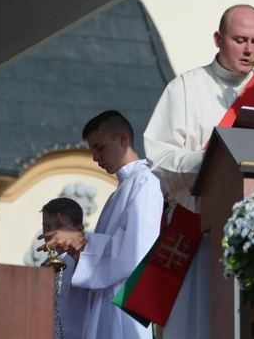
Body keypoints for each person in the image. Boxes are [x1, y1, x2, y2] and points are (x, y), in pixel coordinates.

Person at [143, 4, 254, 338]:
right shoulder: (186, 87)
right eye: (240, 39)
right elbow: (159, 156)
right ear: (218, 38)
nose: (249, 50)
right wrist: (213, 161)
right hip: (200, 230)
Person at [39, 110, 164, 339]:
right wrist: (76, 249)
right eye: (92, 150)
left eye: (100, 147)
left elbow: (136, 250)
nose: (95, 157)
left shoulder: (146, 182)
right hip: (106, 299)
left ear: (122, 139)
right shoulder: (119, 192)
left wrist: (81, 242)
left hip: (125, 302)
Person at [40, 197, 88, 339]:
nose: (52, 233)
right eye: (46, 226)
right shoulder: (45, 267)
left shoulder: (81, 261)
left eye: (59, 226)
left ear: (78, 230)